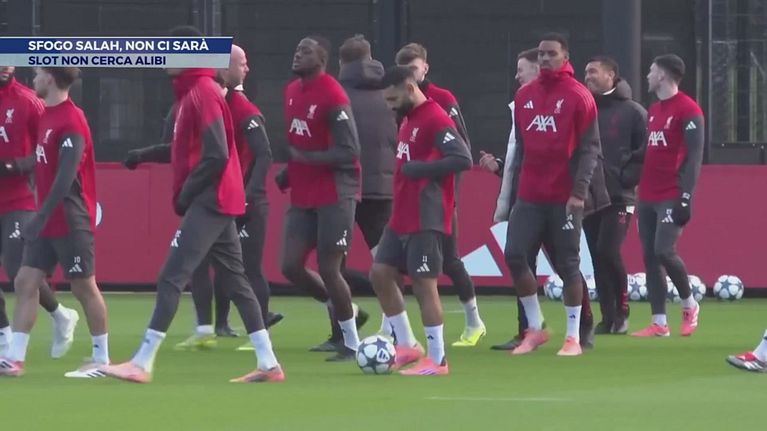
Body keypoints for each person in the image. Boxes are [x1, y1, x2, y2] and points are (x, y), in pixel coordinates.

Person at [101, 26, 284, 383]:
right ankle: (269, 363)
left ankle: (142, 362)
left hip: (210, 200)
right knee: (236, 281)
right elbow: (191, 150)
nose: (164, 58)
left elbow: (216, 154)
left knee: (172, 276)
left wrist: (187, 193)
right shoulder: (193, 94)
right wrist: (146, 156)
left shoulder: (202, 93)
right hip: (217, 199)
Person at [483, 48, 598, 352]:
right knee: (515, 255)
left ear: (565, 57)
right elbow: (521, 149)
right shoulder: (523, 97)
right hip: (529, 196)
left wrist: (579, 192)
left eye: (551, 53)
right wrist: (510, 186)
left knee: (567, 264)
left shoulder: (579, 95)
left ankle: (575, 336)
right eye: (542, 53)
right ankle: (535, 328)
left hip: (564, 197)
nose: (546, 58)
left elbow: (590, 149)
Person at [0, 67, 109, 378]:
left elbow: (66, 176)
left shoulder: (72, 119)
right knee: (24, 281)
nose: (33, 79)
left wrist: (41, 215)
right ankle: (14, 358)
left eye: (38, 74)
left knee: (83, 286)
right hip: (48, 217)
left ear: (49, 78)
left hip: (71, 217)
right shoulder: (47, 115)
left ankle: (101, 359)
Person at [371, 65, 472, 375]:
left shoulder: (435, 118)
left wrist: (421, 170)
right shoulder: (409, 118)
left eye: (393, 99)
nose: (390, 106)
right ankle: (407, 345)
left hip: (427, 215)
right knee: (380, 273)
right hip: (402, 214)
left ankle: (438, 359)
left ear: (410, 88)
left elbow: (462, 158)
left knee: (423, 285)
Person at [278, 35, 366, 361]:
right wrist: (291, 171)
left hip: (336, 192)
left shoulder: (333, 94)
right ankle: (348, 312)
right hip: (304, 194)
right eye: (297, 49)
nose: (297, 55)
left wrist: (305, 159)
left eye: (305, 51)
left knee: (330, 268)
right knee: (290, 266)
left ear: (322, 60)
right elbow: (302, 141)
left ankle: (351, 343)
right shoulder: (291, 92)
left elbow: (349, 151)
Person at [395, 43, 485, 347]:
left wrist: (451, 195)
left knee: (450, 260)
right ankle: (393, 330)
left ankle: (473, 321)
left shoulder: (442, 100)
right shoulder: (402, 105)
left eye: (414, 68)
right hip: (409, 198)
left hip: (437, 199)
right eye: (405, 70)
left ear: (425, 68)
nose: (410, 74)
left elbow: (462, 150)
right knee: (393, 264)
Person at [0, 66, 79, 360]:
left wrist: (16, 165)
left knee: (17, 269)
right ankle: (5, 340)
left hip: (19, 198)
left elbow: (46, 148)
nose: (6, 66)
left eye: (9, 60)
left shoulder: (28, 100)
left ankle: (59, 314)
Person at [631, 54, 704, 338]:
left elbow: (694, 158)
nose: (648, 76)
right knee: (650, 256)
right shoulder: (654, 110)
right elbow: (652, 149)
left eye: (651, 71)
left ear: (662, 75)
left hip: (672, 194)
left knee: (664, 250)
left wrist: (686, 197)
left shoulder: (689, 110)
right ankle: (659, 322)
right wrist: (628, 161)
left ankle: (689, 304)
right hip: (648, 194)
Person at [583, 56, 647, 334]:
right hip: (589, 195)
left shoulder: (633, 112)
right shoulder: (584, 109)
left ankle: (622, 312)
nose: (588, 76)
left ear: (611, 76)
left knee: (607, 251)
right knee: (597, 256)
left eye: (593, 72)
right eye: (586, 72)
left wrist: (626, 179)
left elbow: (645, 151)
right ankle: (607, 317)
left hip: (620, 196)